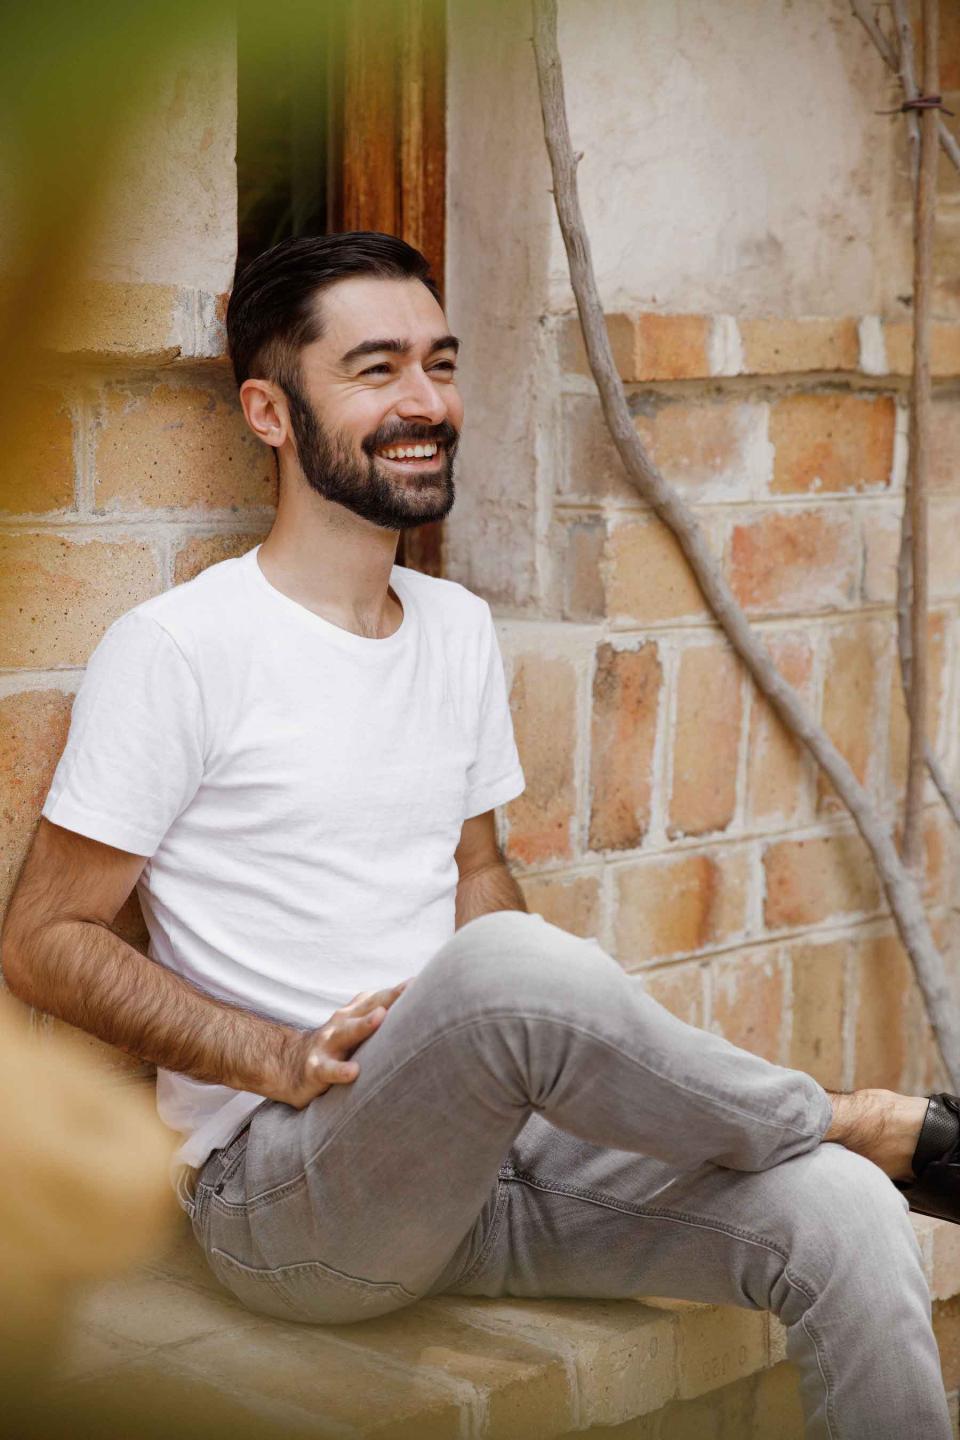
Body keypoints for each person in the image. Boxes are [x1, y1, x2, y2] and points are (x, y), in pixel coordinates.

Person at [2, 231, 958, 1439]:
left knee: (849, 1214)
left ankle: (844, 1148)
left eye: (441, 364)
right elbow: (42, 938)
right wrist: (276, 1055)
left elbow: (477, 870)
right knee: (512, 972)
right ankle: (857, 1116)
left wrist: (500, 1032)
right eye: (378, 368)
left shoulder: (453, 627)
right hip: (289, 1198)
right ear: (269, 411)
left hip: (477, 1159)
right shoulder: (181, 648)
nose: (427, 402)